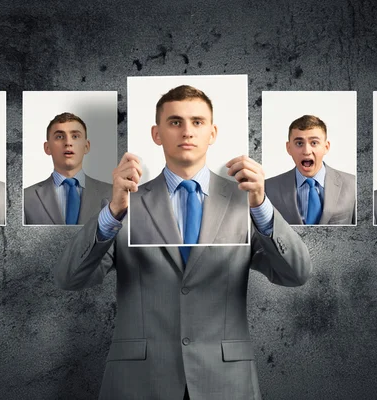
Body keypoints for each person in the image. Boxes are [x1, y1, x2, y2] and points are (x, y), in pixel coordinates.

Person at [54, 85, 312, 400]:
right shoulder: (126, 204)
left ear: (212, 132)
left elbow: (296, 273)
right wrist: (112, 211)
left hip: (225, 382)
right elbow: (69, 278)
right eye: (175, 122)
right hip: (139, 383)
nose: (187, 131)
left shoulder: (244, 203)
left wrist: (261, 206)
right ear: (157, 133)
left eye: (197, 122)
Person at [265, 115, 356, 225]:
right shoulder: (267, 188)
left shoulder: (353, 185)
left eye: (314, 143)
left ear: (326, 147)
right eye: (299, 143)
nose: (307, 151)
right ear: (289, 148)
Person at [24, 112, 112, 225]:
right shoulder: (25, 198)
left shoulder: (112, 193)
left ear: (86, 146)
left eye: (75, 136)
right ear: (47, 148)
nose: (68, 143)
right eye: (59, 137)